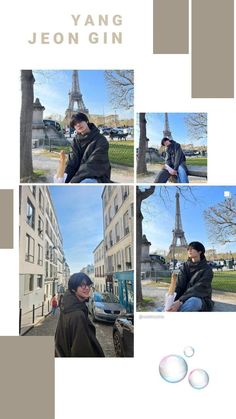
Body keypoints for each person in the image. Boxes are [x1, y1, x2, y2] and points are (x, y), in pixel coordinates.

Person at [55, 272, 105, 357]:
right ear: (74, 289)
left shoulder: (67, 304)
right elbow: (81, 350)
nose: (87, 288)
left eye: (88, 285)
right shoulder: (77, 315)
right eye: (83, 285)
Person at [64, 112, 111, 183]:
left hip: (98, 176)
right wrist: (65, 179)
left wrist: (74, 181)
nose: (78, 124)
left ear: (86, 121)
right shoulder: (75, 141)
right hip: (79, 176)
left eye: (80, 121)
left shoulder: (101, 140)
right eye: (75, 124)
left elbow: (94, 164)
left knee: (86, 182)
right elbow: (71, 163)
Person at [167, 241, 214, 312]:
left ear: (200, 251)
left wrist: (180, 301)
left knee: (193, 302)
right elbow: (179, 286)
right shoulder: (184, 266)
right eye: (188, 249)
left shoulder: (207, 269)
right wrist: (172, 300)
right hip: (183, 298)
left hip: (201, 298)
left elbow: (198, 288)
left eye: (192, 249)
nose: (189, 250)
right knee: (167, 305)